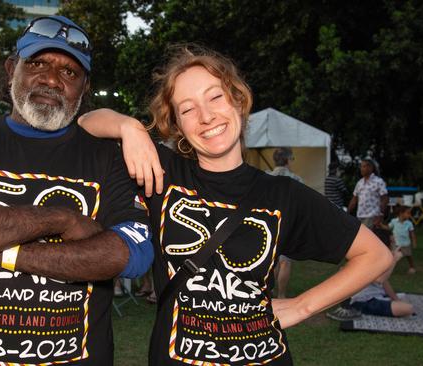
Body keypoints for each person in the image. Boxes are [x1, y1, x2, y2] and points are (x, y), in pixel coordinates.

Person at [78, 43, 392, 365]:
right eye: (187, 109)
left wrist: (303, 306)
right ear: (178, 126)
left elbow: (376, 255)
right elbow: (86, 123)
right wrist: (129, 127)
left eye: (215, 97)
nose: (206, 115)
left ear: (238, 101)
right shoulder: (161, 171)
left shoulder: (285, 195)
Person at [0, 15, 152, 365]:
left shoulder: (107, 156)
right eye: (37, 63)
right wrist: (61, 220)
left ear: (84, 87)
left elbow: (129, 255)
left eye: (69, 72)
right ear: (11, 69)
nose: (51, 80)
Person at [267, 147, 303, 299]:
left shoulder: (265, 176)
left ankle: (270, 291)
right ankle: (281, 295)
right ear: (288, 160)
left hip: (269, 222)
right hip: (289, 222)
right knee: (285, 262)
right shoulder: (297, 179)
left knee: (272, 260)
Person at [350, 249, 413, 317]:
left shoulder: (377, 260)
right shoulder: (365, 260)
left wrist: (396, 299)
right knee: (408, 309)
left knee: (404, 299)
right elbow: (380, 280)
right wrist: (394, 260)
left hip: (376, 296)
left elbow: (385, 282)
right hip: (363, 301)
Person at [348, 158, 388, 228]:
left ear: (370, 168)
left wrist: (381, 215)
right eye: (361, 166)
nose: (361, 169)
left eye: (364, 166)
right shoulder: (360, 183)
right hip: (360, 216)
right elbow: (354, 199)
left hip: (372, 216)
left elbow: (384, 199)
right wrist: (347, 213)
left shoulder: (378, 181)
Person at [386, 205, 417, 274]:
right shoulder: (394, 221)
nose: (409, 215)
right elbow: (388, 227)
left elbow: (412, 233)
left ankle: (412, 267)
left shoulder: (409, 223)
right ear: (401, 213)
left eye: (410, 213)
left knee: (408, 256)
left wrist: (414, 242)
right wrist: (381, 225)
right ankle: (389, 269)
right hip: (396, 243)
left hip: (406, 243)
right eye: (408, 213)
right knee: (393, 257)